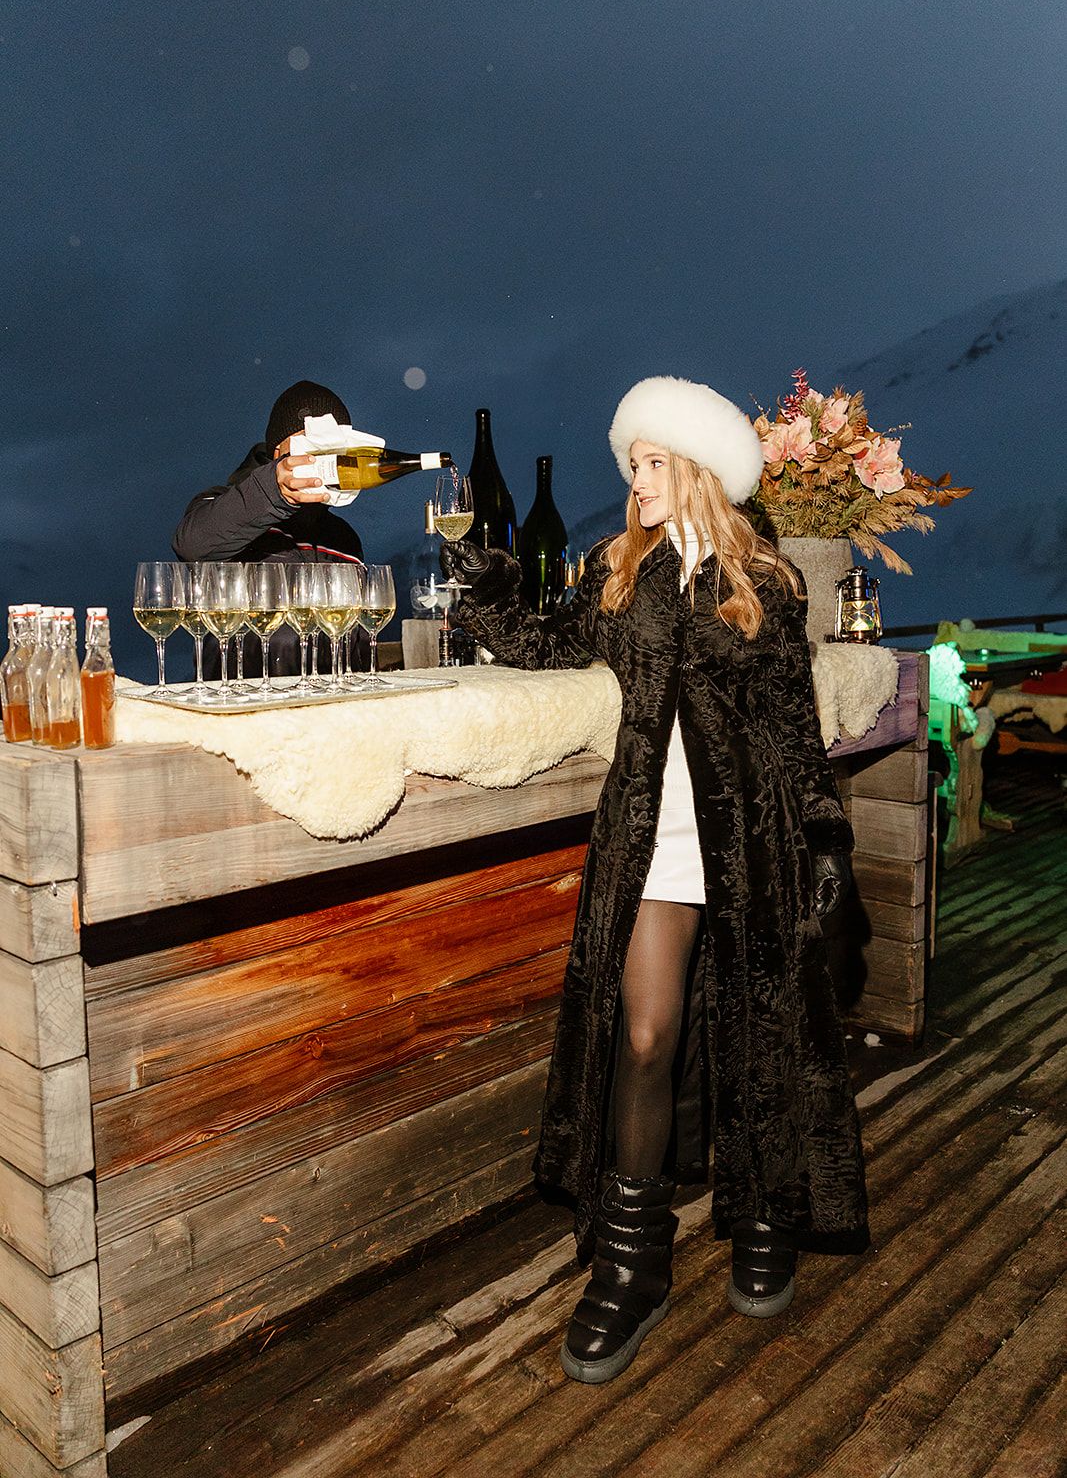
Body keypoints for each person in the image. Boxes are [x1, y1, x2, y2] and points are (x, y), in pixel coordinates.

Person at [442, 376, 868, 1385]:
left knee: (760, 1024)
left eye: (649, 462)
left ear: (697, 474)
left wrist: (821, 841)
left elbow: (792, 729)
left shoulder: (762, 580)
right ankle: (632, 1263)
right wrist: (488, 583)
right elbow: (544, 647)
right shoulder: (615, 574)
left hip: (753, 839)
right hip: (653, 838)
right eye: (629, 460)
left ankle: (762, 1214)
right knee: (642, 1033)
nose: (632, 477)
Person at [173, 380, 367, 677]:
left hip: (328, 711)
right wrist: (272, 492)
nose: (322, 459)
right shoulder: (222, 505)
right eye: (312, 446)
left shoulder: (343, 536)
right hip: (242, 707)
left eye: (334, 448)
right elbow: (192, 545)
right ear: (278, 451)